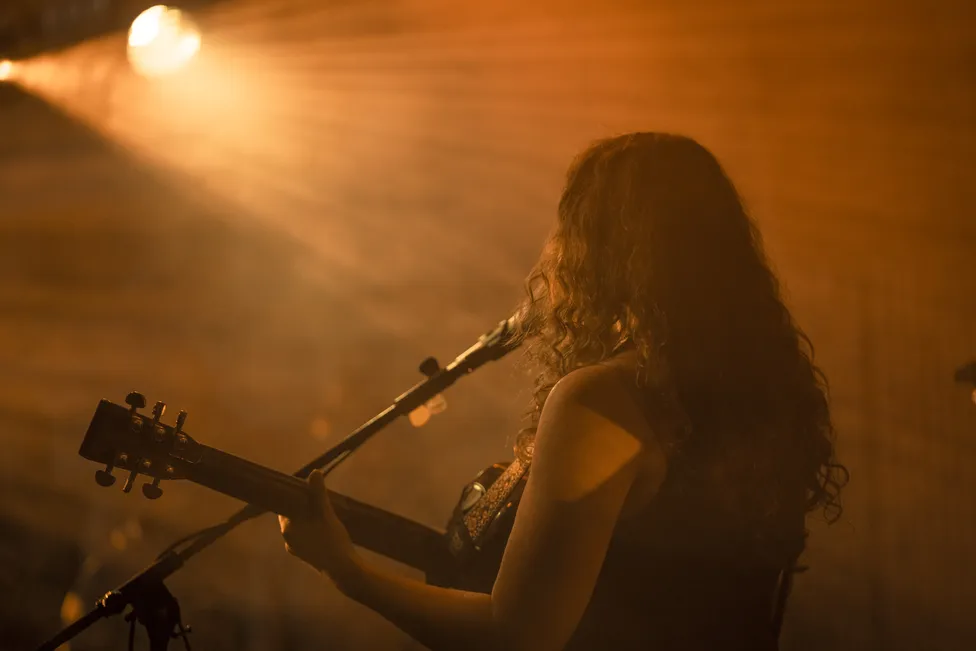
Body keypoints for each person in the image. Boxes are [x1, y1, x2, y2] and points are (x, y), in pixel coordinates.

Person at [278, 132, 848, 650]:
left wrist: (347, 573)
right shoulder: (764, 396)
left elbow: (516, 635)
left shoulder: (605, 401)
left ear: (599, 251)